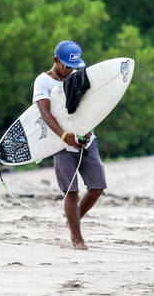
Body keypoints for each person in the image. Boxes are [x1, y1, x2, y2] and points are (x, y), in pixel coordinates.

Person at [33, 40, 107, 250]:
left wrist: (88, 130)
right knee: (71, 191)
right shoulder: (43, 82)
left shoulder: (77, 76)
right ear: (56, 60)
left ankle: (72, 219)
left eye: (73, 65)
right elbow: (45, 113)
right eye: (66, 65)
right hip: (61, 144)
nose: (70, 70)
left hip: (86, 140)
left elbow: (90, 108)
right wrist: (63, 136)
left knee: (97, 187)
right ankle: (77, 238)